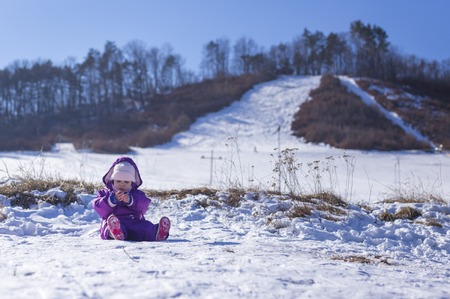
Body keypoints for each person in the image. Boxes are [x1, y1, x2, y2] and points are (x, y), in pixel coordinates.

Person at [93, 156, 170, 241]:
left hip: (134, 222)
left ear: (132, 182)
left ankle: (157, 232)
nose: (122, 184)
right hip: (115, 221)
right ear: (112, 180)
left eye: (126, 182)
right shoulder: (105, 193)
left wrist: (131, 201)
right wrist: (111, 201)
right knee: (109, 227)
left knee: (145, 228)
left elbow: (144, 206)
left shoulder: (136, 194)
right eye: (118, 181)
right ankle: (115, 233)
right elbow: (98, 207)